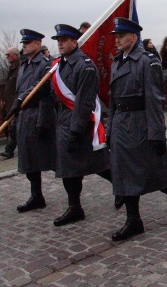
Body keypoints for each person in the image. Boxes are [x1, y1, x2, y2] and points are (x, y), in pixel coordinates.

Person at [106, 18, 167, 241]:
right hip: (121, 122)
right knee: (124, 172)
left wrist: (157, 134)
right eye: (115, 36)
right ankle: (134, 220)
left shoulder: (147, 62)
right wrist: (109, 128)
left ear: (133, 37)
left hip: (140, 122)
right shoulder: (117, 62)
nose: (117, 40)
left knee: (150, 169)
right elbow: (113, 100)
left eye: (121, 36)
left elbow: (154, 100)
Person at [50, 24, 113, 226]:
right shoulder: (59, 64)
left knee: (99, 164)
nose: (60, 43)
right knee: (69, 168)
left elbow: (85, 101)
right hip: (63, 120)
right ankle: (75, 207)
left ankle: (121, 187)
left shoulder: (84, 66)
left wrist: (76, 131)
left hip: (80, 122)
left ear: (74, 42)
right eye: (58, 40)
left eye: (64, 40)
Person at [3, 29, 57, 212]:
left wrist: (43, 121)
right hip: (25, 117)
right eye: (23, 43)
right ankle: (36, 196)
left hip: (39, 115)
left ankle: (75, 198)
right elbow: (20, 94)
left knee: (59, 160)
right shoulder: (24, 65)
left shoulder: (45, 65)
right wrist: (16, 120)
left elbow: (44, 93)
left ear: (37, 44)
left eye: (27, 43)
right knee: (29, 161)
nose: (24, 46)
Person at [0, 46, 20, 159]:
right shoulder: (11, 68)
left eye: (9, 55)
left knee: (14, 127)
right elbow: (7, 85)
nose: (7, 57)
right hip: (10, 103)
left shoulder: (20, 68)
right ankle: (9, 149)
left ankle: (9, 150)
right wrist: (3, 99)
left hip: (17, 103)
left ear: (15, 55)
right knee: (13, 127)